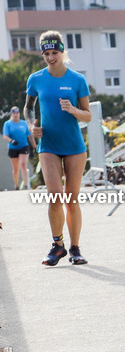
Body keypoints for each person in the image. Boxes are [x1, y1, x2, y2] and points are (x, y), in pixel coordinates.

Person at [24, 30, 91, 266]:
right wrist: (32, 125)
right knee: (54, 197)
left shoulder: (77, 80)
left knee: (72, 200)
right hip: (48, 145)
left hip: (74, 146)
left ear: (62, 51)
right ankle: (57, 245)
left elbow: (88, 116)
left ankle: (75, 248)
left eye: (55, 52)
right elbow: (28, 108)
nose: (51, 57)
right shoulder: (36, 79)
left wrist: (73, 110)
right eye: (47, 54)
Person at [3, 106, 34, 189]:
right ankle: (16, 185)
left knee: (23, 164)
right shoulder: (7, 124)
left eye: (17, 113)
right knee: (16, 169)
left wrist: (34, 146)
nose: (16, 115)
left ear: (19, 114)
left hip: (23, 146)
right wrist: (11, 141)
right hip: (13, 148)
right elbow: (5, 136)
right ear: (11, 114)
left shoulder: (23, 123)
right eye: (14, 113)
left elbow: (30, 135)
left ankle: (26, 185)